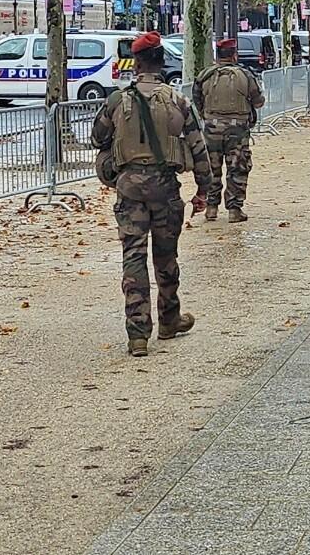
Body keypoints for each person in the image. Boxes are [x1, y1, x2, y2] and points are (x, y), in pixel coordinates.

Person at [91, 32, 211, 357]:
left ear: (137, 62)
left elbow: (97, 138)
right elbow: (198, 147)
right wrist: (204, 189)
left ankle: (138, 333)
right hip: (165, 189)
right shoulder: (177, 101)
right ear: (161, 62)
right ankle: (169, 319)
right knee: (166, 256)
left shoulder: (117, 101)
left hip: (129, 189)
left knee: (133, 256)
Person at [192, 38, 265, 223]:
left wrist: (207, 116)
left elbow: (196, 100)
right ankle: (234, 209)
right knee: (238, 168)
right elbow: (259, 101)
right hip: (237, 130)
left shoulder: (204, 75)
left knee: (212, 169)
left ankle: (211, 208)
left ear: (217, 56)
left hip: (211, 129)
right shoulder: (245, 75)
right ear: (234, 55)